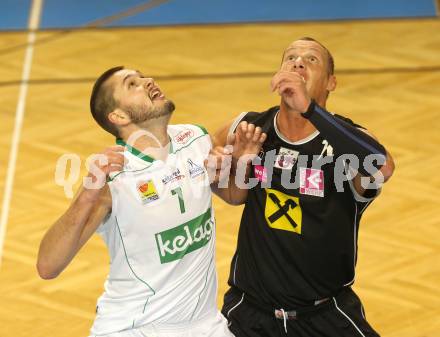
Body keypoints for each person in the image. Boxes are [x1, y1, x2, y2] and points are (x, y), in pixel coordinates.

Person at [212, 37, 395, 337]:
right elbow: (227, 190)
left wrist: (309, 109)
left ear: (331, 83)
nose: (298, 63)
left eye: (311, 60)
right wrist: (233, 166)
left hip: (325, 315)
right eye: (291, 58)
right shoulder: (249, 128)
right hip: (249, 314)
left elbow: (382, 166)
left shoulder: (349, 143)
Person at [36, 66, 238, 337]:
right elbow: (48, 266)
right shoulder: (113, 177)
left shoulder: (196, 140)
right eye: (132, 84)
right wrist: (86, 196)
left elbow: (236, 196)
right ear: (117, 115)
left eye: (143, 77)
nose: (148, 81)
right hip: (133, 328)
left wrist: (240, 158)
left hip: (205, 324)